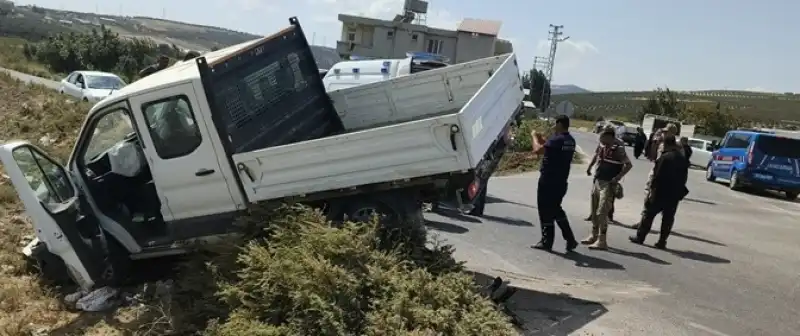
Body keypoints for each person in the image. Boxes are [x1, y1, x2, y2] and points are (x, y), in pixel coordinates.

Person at [629, 134, 689, 249]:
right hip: (674, 194)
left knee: (648, 214)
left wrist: (652, 191)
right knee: (668, 218)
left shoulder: (665, 157)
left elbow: (657, 176)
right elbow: (684, 177)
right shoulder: (682, 159)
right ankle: (662, 242)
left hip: (660, 192)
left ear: (666, 144)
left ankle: (640, 237)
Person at [530, 115, 579, 252]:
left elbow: (538, 150)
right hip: (561, 181)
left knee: (545, 209)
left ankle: (547, 241)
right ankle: (570, 239)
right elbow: (549, 147)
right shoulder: (570, 140)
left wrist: (534, 136)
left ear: (559, 124)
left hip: (549, 180)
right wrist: (542, 138)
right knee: (556, 209)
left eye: (555, 124)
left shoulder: (557, 139)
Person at [582, 128, 633, 249]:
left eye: (602, 136)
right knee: (594, 211)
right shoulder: (602, 146)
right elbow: (596, 156)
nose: (600, 139)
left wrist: (617, 178)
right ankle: (593, 235)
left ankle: (602, 240)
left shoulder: (618, 149)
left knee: (602, 212)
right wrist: (590, 167)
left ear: (609, 137)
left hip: (608, 184)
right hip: (598, 180)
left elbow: (628, 164)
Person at [632, 123, 682, 229]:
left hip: (666, 177)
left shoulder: (677, 146)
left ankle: (658, 227)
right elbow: (652, 156)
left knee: (663, 205)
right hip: (655, 172)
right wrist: (655, 142)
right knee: (648, 197)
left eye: (665, 132)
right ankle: (643, 222)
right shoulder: (661, 143)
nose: (663, 134)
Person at [584, 124, 622, 222]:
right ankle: (592, 214)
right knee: (595, 194)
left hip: (612, 174)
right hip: (599, 171)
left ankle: (609, 215)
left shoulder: (619, 144)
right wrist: (590, 167)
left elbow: (622, 161)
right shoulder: (602, 142)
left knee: (610, 196)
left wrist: (618, 176)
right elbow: (596, 154)